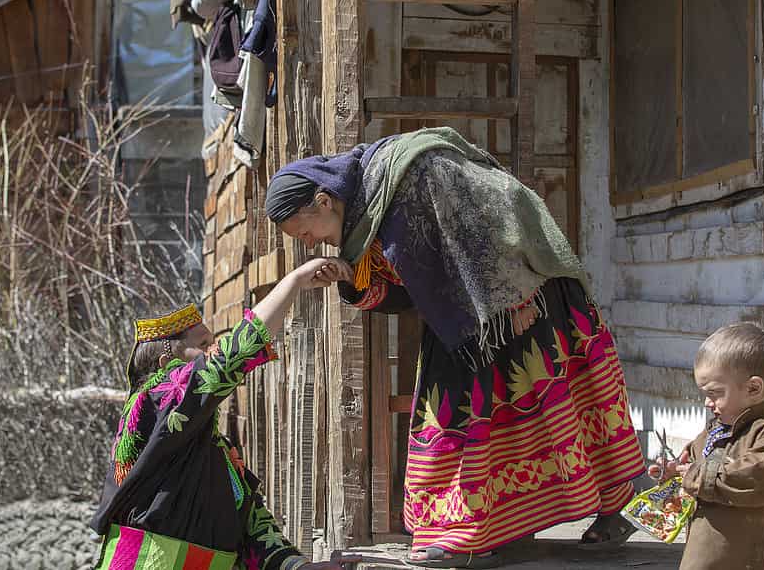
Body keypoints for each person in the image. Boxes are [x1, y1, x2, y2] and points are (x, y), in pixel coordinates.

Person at [265, 128, 645, 567]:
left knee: (547, 407)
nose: (309, 243)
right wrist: (353, 278)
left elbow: (489, 221)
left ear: (324, 200)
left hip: (523, 297)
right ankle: (487, 529)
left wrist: (514, 300)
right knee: (463, 415)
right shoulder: (368, 218)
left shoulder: (413, 172)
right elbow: (412, 290)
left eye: (304, 232)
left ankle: (596, 513)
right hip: (466, 319)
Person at [90, 257, 356, 570]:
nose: (213, 350)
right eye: (204, 344)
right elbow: (229, 359)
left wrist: (300, 567)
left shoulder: (210, 450)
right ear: (167, 367)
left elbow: (252, 529)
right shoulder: (154, 400)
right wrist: (293, 282)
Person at [649, 323, 764, 570]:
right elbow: (692, 468)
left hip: (745, 560)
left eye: (715, 393)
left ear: (753, 388)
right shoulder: (714, 432)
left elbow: (753, 477)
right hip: (702, 554)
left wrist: (695, 475)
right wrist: (673, 472)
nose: (707, 403)